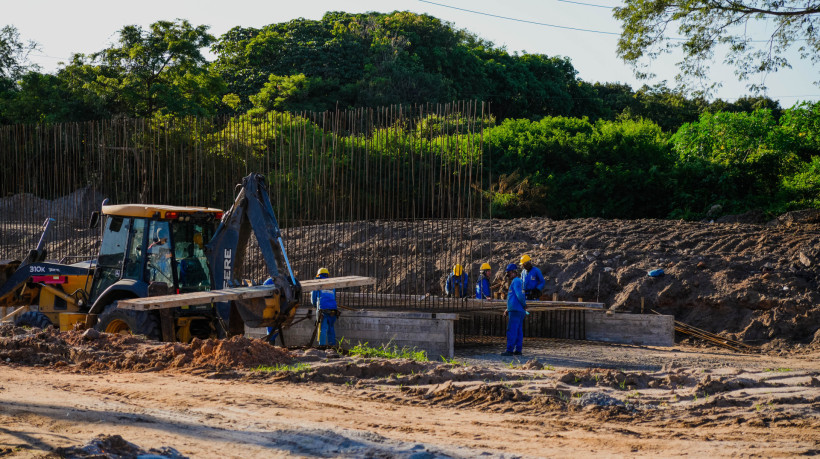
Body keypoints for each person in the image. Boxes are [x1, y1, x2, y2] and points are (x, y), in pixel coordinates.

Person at [502, 263, 527, 356]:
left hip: (516, 311)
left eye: (508, 273)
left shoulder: (516, 281)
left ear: (513, 272)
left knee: (512, 330)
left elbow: (519, 295)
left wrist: (524, 304)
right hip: (518, 310)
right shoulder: (518, 281)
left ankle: (509, 350)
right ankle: (518, 350)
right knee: (518, 331)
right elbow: (514, 298)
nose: (507, 275)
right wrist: (508, 309)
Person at [311, 267, 339, 346]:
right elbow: (332, 296)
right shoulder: (331, 284)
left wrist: (314, 305)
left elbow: (313, 297)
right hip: (333, 309)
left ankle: (322, 346)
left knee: (322, 328)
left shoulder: (317, 283)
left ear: (318, 275)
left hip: (323, 308)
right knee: (331, 327)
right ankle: (332, 345)